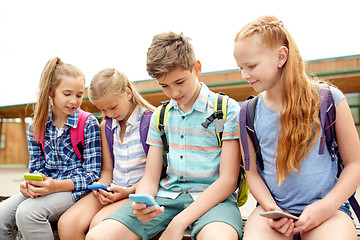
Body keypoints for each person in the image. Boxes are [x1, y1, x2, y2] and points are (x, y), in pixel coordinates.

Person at [86, 32, 243, 240]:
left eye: (180, 82)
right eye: (164, 86)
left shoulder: (225, 109)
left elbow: (228, 180)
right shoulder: (160, 116)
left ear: (196, 68)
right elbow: (150, 177)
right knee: (98, 236)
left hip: (215, 201)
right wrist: (143, 201)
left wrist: (178, 222)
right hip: (165, 198)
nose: (174, 93)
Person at [233, 15, 360, 239]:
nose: (245, 75)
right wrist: (272, 209)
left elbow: (355, 164)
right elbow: (252, 173)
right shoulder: (247, 113)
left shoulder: (330, 100)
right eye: (241, 67)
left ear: (281, 56)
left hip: (330, 212)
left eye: (251, 66)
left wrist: (326, 207)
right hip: (272, 212)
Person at [0, 57, 102, 240]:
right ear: (50, 92)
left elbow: (92, 174)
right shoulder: (36, 126)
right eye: (67, 94)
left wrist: (56, 186)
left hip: (74, 190)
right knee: (1, 215)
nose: (74, 101)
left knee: (28, 214)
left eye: (79, 95)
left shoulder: (88, 123)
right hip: (47, 188)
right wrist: (30, 185)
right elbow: (36, 167)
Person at [58, 68, 155, 240]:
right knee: (67, 224)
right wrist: (101, 189)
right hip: (112, 190)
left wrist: (125, 192)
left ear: (128, 93)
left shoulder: (150, 121)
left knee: (98, 224)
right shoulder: (106, 127)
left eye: (112, 107)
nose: (109, 114)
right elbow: (107, 170)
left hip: (137, 192)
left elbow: (157, 173)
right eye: (102, 110)